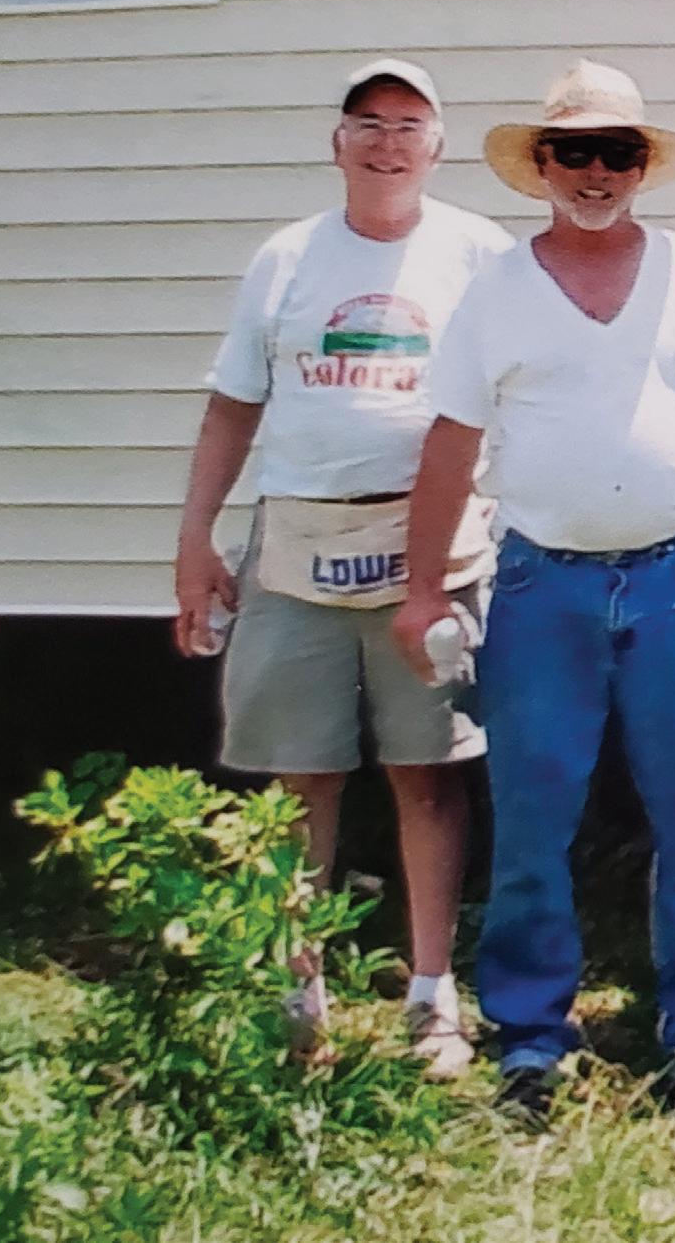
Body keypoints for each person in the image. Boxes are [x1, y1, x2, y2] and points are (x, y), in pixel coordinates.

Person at [392, 59, 675, 1126]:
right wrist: (423, 587)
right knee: (531, 824)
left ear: (642, 169)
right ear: (543, 166)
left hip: (671, 586)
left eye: (617, 154)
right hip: (538, 589)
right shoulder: (498, 290)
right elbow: (450, 443)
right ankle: (530, 1047)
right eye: (576, 153)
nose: (596, 174)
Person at [174, 57, 509, 1080]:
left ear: (438, 144)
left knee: (428, 773)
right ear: (338, 141)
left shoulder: (478, 253)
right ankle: (296, 990)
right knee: (299, 775)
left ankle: (431, 993)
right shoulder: (285, 259)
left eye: (410, 124)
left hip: (431, 546)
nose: (388, 141)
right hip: (295, 545)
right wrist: (195, 540)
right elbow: (235, 403)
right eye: (368, 122)